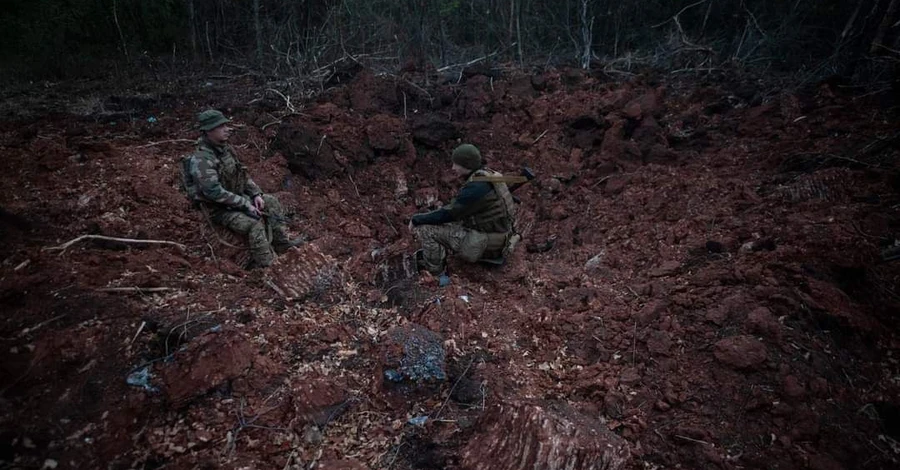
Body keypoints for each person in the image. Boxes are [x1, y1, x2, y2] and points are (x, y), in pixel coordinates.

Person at [182, 109, 301, 267]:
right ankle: (269, 265)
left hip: (235, 199)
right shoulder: (202, 160)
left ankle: (281, 245)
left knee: (271, 202)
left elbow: (242, 175)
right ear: (209, 131)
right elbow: (213, 192)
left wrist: (255, 194)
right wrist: (245, 204)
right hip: (218, 209)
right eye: (221, 126)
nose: (227, 129)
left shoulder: (226, 150)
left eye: (226, 125)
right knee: (253, 222)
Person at [409, 144, 522, 275]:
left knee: (426, 229)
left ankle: (435, 274)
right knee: (442, 221)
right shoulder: (489, 175)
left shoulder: (476, 188)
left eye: (456, 164)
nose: (453, 168)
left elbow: (450, 213)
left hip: (486, 245)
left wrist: (417, 219)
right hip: (500, 238)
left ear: (466, 165)